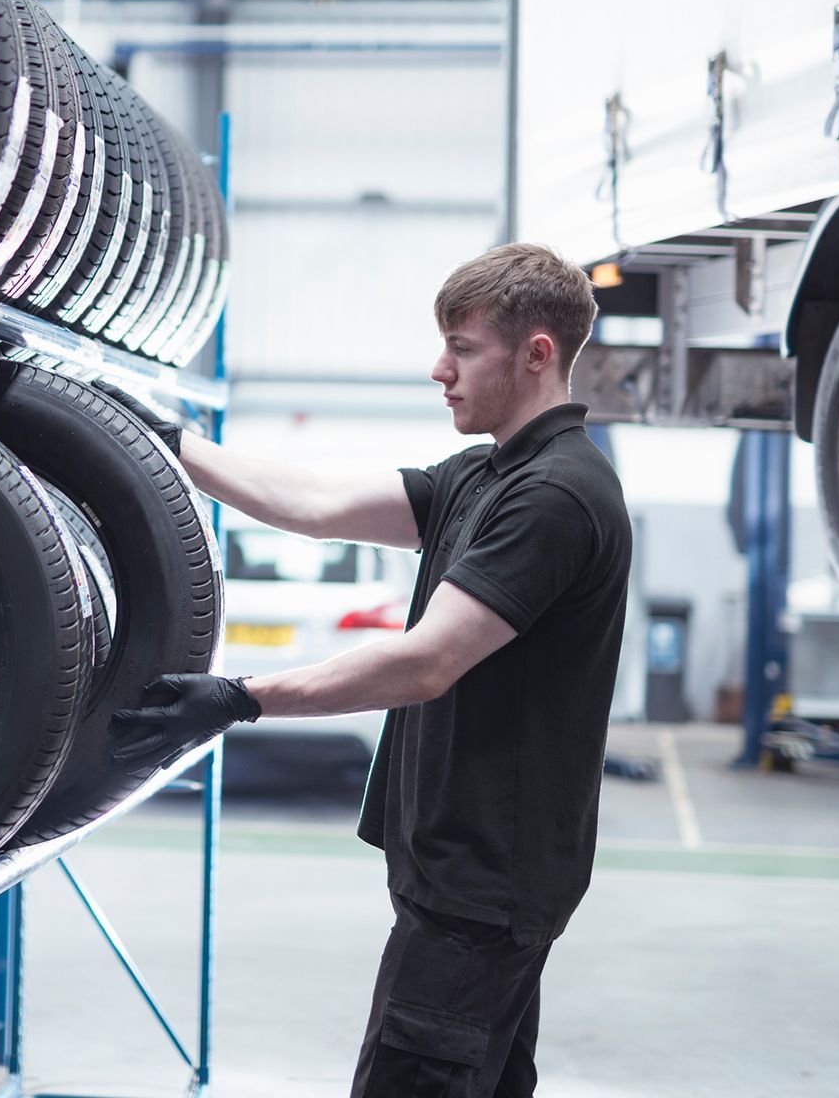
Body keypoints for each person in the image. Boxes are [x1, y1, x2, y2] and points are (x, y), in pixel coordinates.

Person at [110, 243, 633, 1097]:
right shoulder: (487, 475)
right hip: (466, 875)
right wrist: (173, 444)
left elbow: (427, 663)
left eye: (463, 349)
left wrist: (241, 697)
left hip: (481, 887)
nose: (440, 370)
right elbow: (314, 508)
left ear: (538, 353)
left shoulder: (556, 495)